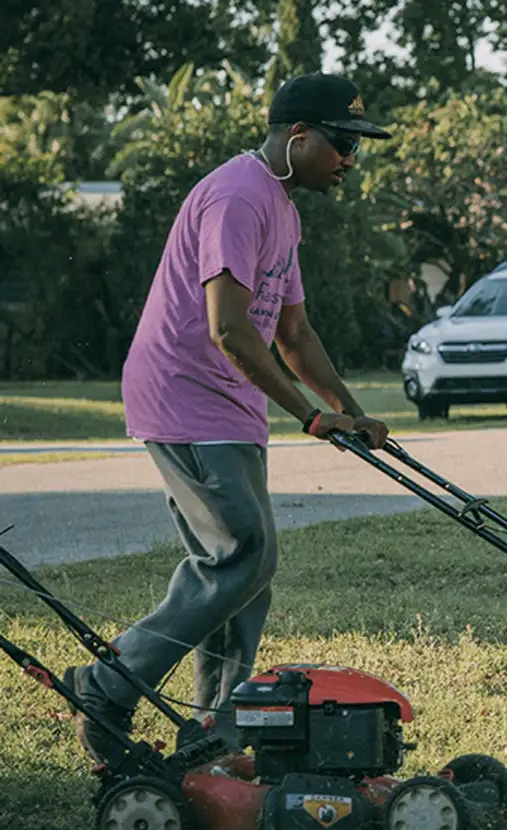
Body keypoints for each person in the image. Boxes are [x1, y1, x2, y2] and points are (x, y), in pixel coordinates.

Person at [70, 73, 393, 764]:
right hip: (187, 397)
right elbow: (229, 327)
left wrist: (352, 413)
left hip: (231, 406)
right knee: (244, 554)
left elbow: (294, 333)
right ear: (298, 136)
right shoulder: (239, 196)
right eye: (342, 144)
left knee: (242, 576)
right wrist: (308, 416)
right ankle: (105, 685)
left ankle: (214, 735)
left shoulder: (284, 210)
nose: (349, 161)